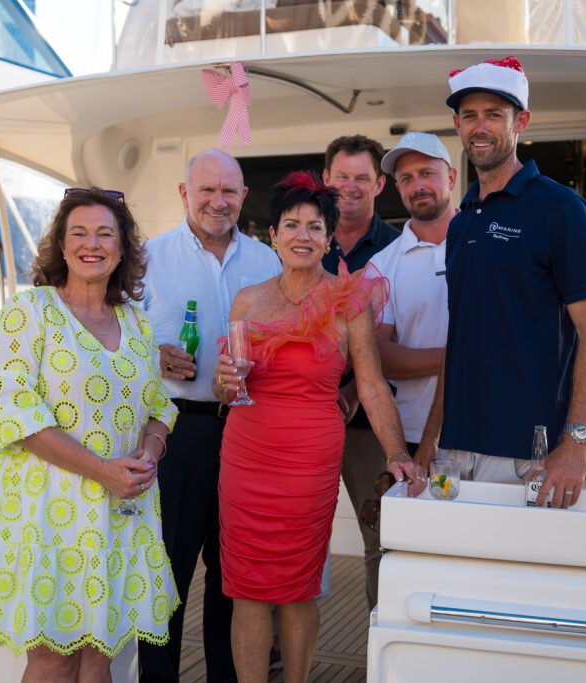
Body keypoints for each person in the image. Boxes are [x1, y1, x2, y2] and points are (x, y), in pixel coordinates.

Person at [212, 170, 419, 683]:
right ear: (273, 236)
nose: (302, 235)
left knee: (298, 586)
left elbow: (370, 386)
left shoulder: (351, 302)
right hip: (247, 455)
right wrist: (221, 380)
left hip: (310, 459)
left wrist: (397, 455)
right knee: (246, 587)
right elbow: (226, 390)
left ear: (329, 237)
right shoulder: (247, 300)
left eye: (313, 226)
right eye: (291, 225)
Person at [0, 187, 178, 682]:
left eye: (106, 233)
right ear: (61, 246)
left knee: (98, 654)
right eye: (79, 233)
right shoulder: (30, 312)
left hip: (119, 511)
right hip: (48, 514)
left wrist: (148, 453)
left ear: (122, 248)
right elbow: (12, 414)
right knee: (53, 658)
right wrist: (103, 471)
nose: (93, 243)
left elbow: (158, 407)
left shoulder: (135, 321)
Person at [416, 56, 586, 508]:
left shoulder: (560, 209)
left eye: (493, 114)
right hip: (456, 452)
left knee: (519, 576)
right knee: (456, 571)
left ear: (521, 121)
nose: (479, 127)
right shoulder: (462, 222)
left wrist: (578, 440)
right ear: (456, 124)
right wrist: (432, 438)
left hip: (530, 455)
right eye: (469, 116)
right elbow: (458, 338)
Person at [139, 149, 281, 683]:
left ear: (244, 197)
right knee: (166, 571)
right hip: (173, 432)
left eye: (228, 191)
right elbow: (112, 339)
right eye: (206, 190)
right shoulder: (146, 258)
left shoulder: (268, 262)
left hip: (246, 433)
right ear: (183, 194)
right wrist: (151, 355)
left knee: (234, 575)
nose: (218, 202)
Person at [320, 134, 400, 611]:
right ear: (326, 178)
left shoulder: (397, 249)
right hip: (307, 418)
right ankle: (274, 655)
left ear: (380, 184)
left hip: (369, 421)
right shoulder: (303, 240)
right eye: (342, 177)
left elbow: (395, 339)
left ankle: (379, 650)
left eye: (362, 178)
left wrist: (351, 391)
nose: (350, 187)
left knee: (381, 537)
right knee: (290, 534)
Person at [368, 132, 457, 455]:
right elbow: (378, 357)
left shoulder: (487, 245)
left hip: (489, 426)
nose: (417, 185)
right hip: (415, 434)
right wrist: (461, 357)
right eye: (406, 178)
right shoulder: (381, 266)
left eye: (427, 173)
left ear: (451, 177)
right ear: (398, 189)